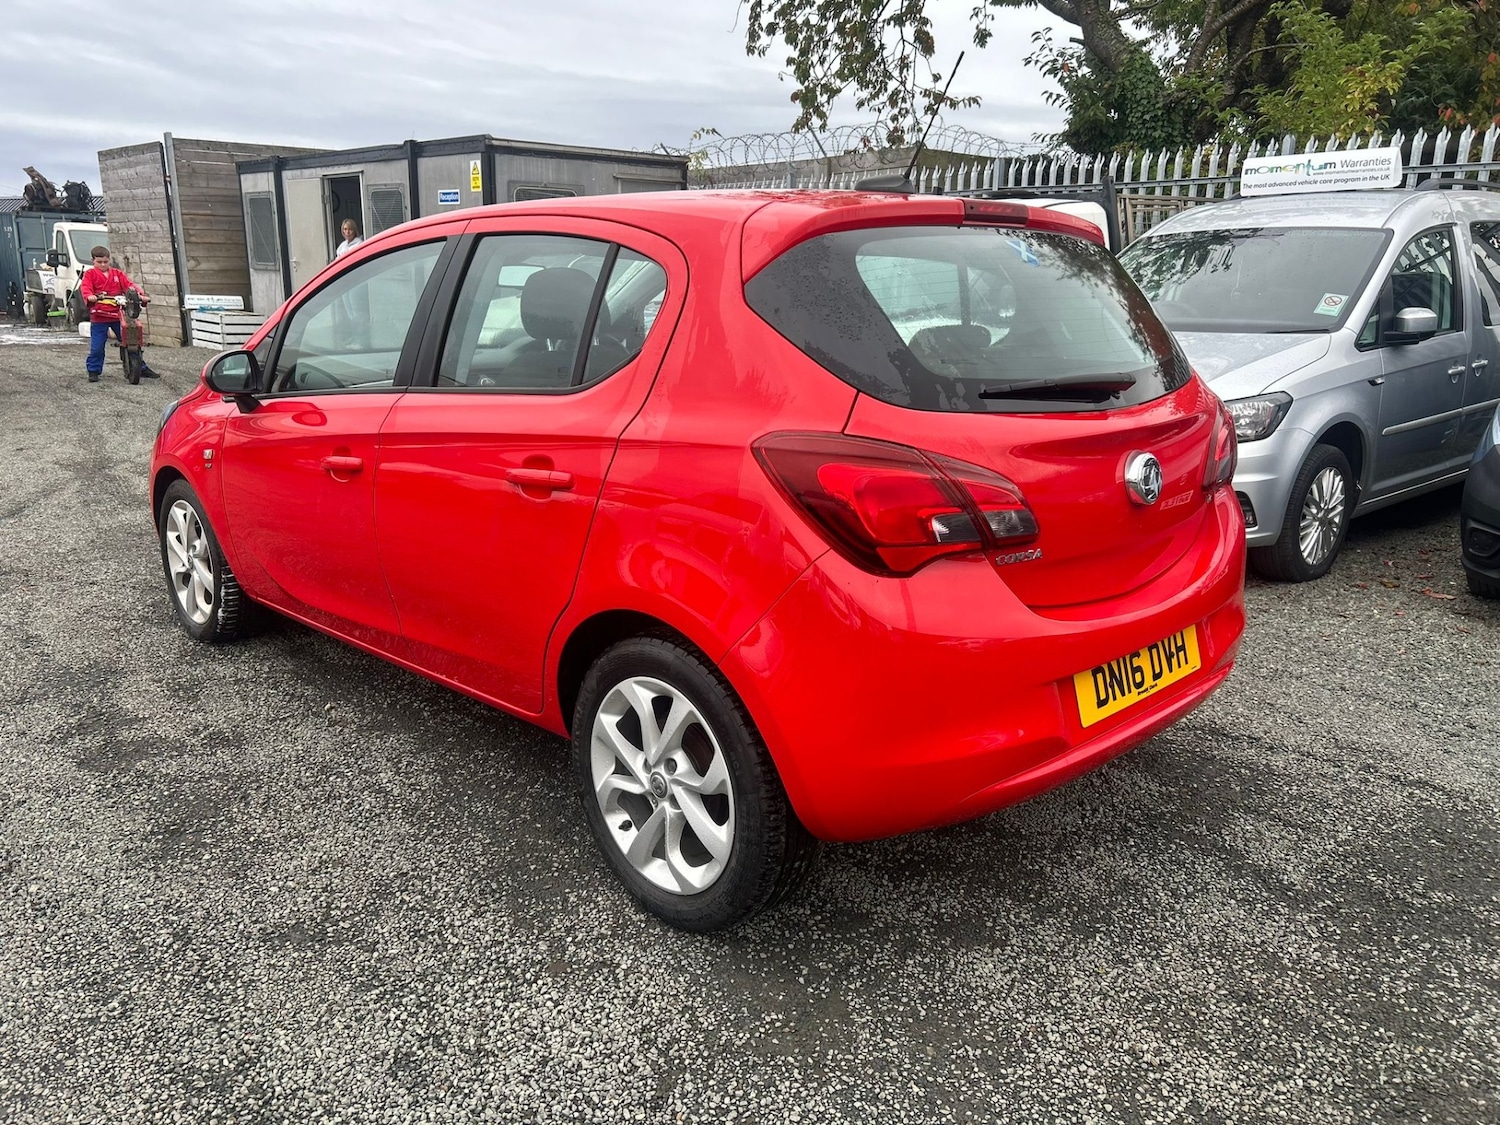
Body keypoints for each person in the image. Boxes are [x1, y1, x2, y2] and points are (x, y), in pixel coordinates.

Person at [80, 248, 157, 382]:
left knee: (132, 341)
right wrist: (90, 296)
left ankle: (141, 367)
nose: (103, 264)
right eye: (99, 262)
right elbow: (86, 288)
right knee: (97, 347)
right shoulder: (89, 274)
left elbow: (129, 286)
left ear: (109, 260)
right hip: (99, 316)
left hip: (118, 315)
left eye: (105, 261)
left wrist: (140, 295)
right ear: (93, 261)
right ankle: (93, 370)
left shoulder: (117, 274)